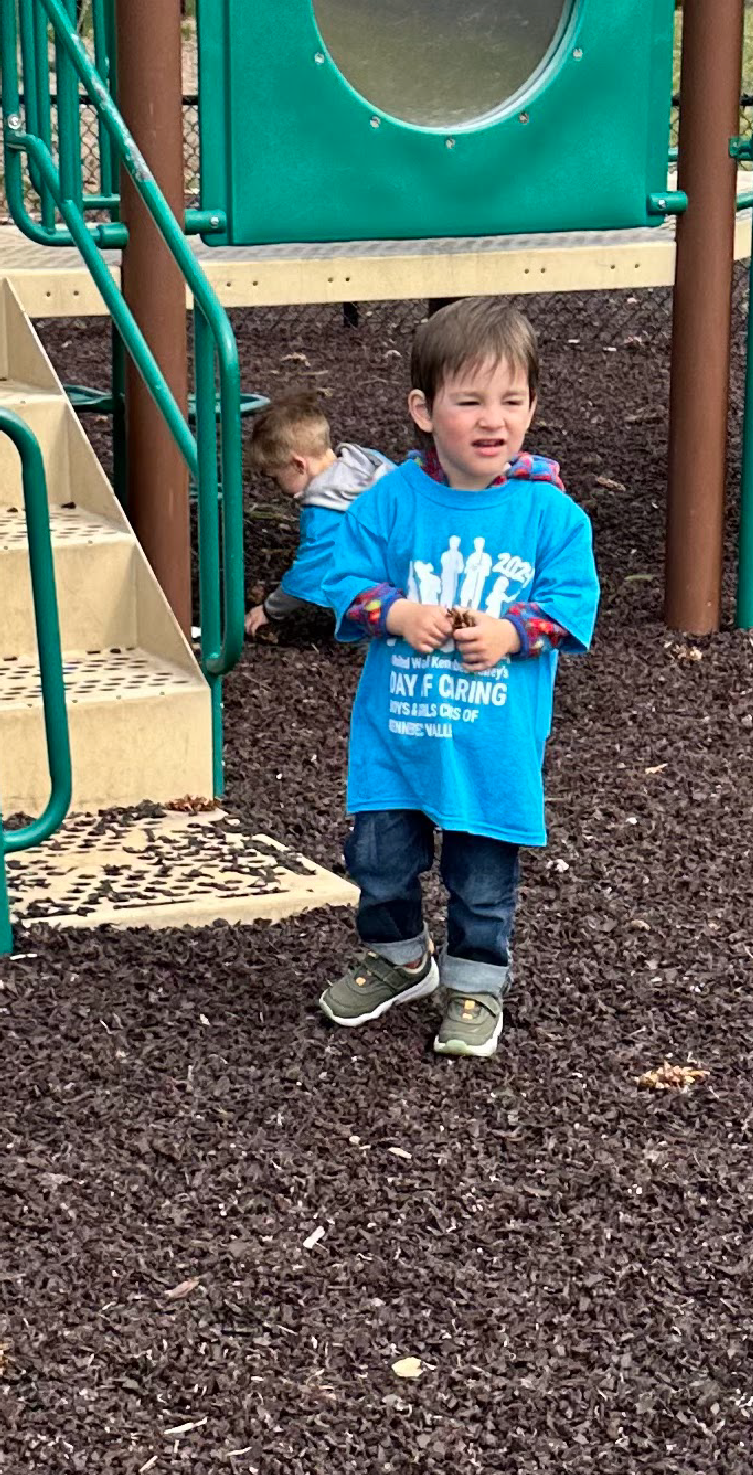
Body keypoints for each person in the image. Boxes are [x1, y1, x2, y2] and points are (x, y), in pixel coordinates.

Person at [319, 298, 599, 1059]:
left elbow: (572, 602)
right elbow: (339, 575)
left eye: (512, 401)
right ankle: (399, 957)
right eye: (469, 400)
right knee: (377, 856)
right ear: (423, 409)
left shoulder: (551, 515)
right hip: (396, 735)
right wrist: (396, 612)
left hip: (491, 742)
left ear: (533, 407)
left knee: (482, 874)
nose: (492, 418)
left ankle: (475, 983)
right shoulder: (394, 500)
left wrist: (514, 631)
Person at [243, 392, 393, 634]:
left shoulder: (327, 511)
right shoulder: (369, 464)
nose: (275, 488)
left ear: (299, 464)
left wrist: (270, 610)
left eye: (275, 478)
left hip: (400, 587)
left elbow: (309, 572)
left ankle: (374, 636)